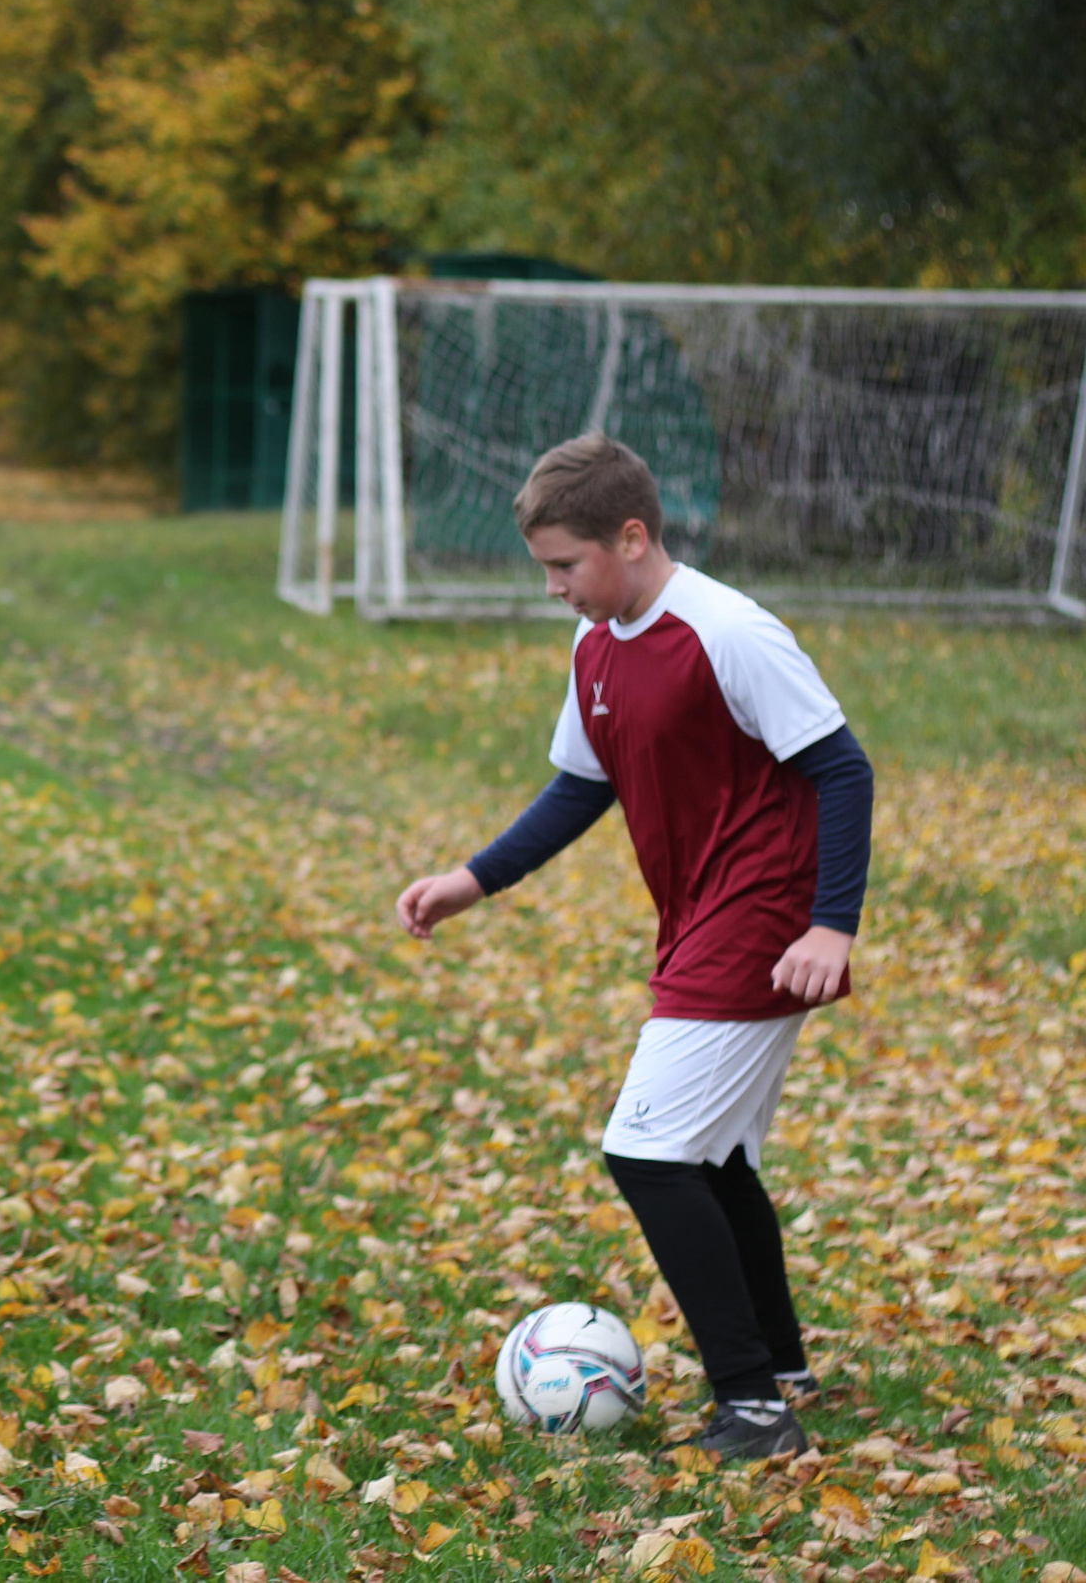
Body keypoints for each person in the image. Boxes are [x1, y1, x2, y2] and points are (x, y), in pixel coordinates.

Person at [393, 434, 874, 1462]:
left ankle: (751, 1408)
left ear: (631, 535)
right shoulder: (598, 643)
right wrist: (471, 879)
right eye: (546, 570)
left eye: (565, 566)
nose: (556, 589)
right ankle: (778, 1366)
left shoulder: (728, 632)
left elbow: (842, 770)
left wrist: (832, 923)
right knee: (715, 1159)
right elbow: (581, 784)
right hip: (698, 916)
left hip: (764, 919)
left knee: (647, 1154)